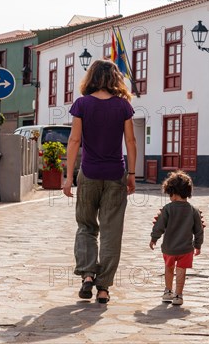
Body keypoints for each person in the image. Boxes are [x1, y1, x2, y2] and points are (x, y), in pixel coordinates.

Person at [63, 59, 136, 304]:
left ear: (91, 77)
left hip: (89, 174)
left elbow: (74, 141)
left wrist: (67, 176)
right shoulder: (123, 106)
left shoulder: (82, 104)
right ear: (115, 78)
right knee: (111, 233)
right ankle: (103, 288)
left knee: (86, 226)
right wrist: (132, 174)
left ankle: (86, 275)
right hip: (116, 175)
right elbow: (131, 142)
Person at [150, 170, 204, 306]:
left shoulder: (167, 209)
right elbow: (199, 230)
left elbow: (159, 226)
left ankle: (168, 291)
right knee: (181, 271)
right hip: (186, 248)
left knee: (169, 268)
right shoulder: (193, 210)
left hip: (169, 247)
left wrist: (154, 238)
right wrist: (198, 245)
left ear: (172, 193)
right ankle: (178, 295)